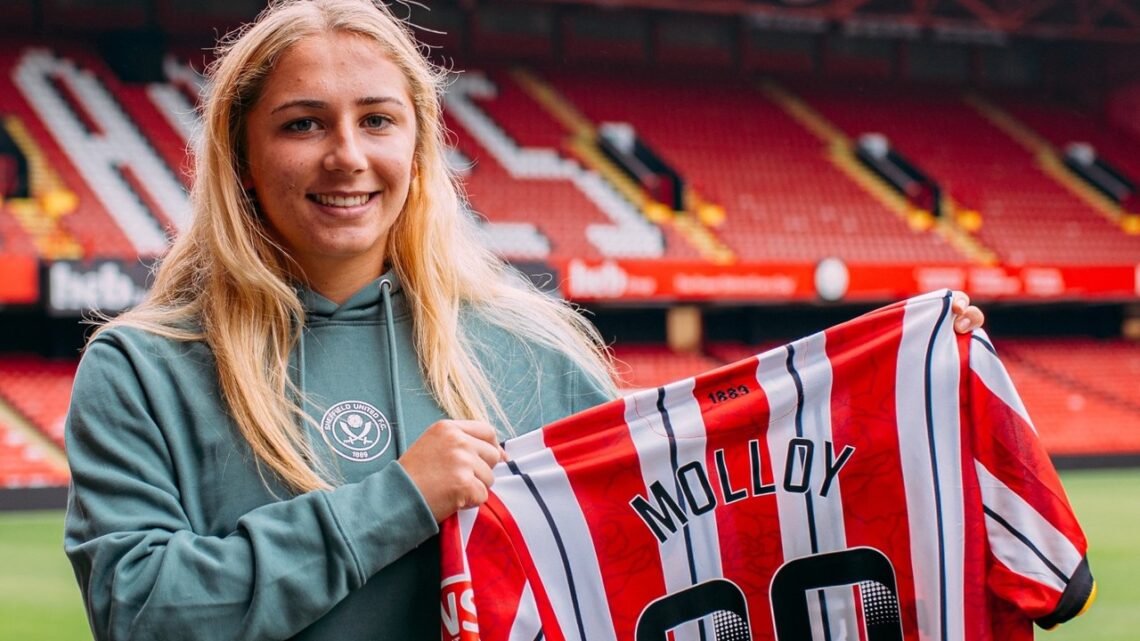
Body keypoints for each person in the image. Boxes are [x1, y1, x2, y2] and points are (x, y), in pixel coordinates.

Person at [62, 1, 985, 640]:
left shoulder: (535, 350)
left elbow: (666, 562)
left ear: (419, 147)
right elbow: (143, 613)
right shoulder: (143, 367)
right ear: (241, 154)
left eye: (378, 120)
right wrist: (400, 500)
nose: (348, 155)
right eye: (304, 124)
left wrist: (915, 390)